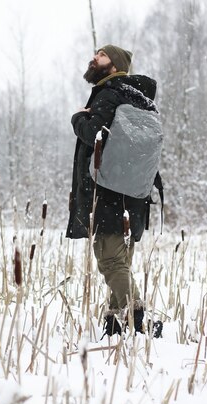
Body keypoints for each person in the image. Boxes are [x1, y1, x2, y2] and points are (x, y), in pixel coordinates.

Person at [67, 44, 161, 338]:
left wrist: (78, 118)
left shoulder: (109, 95)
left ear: (114, 64)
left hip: (108, 191)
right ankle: (114, 319)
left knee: (109, 259)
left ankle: (138, 317)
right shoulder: (141, 99)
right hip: (134, 194)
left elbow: (94, 134)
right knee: (121, 259)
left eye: (101, 55)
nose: (94, 57)